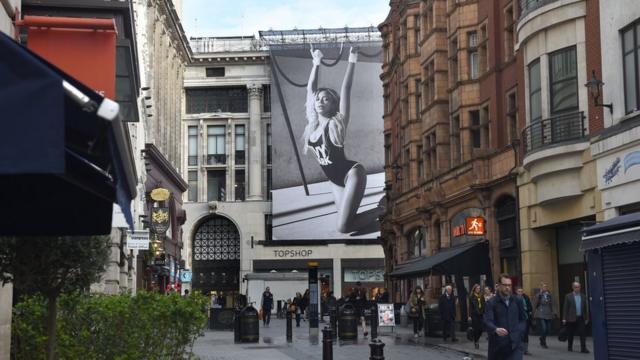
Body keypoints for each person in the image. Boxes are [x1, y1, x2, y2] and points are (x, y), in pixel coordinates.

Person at [304, 45, 369, 234]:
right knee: (349, 222)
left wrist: (352, 59)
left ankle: (386, 209)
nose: (319, 101)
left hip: (352, 174)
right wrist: (316, 62)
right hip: (335, 181)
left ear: (334, 103)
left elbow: (346, 88)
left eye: (325, 99)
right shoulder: (313, 126)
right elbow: (310, 90)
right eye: (318, 99)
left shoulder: (336, 123)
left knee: (343, 227)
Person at [484, 274, 527, 360]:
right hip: (498, 346)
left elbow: (523, 319)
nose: (507, 287)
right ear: (499, 285)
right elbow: (487, 321)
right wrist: (495, 329)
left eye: (509, 285)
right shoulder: (492, 303)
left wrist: (519, 333)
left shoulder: (517, 300)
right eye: (505, 285)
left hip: (515, 344)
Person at [562, 282, 589, 353]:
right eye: (576, 287)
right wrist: (564, 318)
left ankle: (583, 348)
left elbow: (585, 308)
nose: (577, 288)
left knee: (582, 333)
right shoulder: (568, 296)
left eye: (579, 287)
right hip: (571, 318)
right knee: (571, 333)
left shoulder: (583, 296)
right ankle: (570, 346)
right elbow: (565, 308)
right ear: (573, 288)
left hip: (581, 317)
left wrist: (586, 318)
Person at [533, 282, 554, 349]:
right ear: (541, 288)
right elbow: (535, 303)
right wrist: (540, 294)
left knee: (548, 329)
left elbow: (552, 304)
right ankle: (543, 342)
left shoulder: (549, 295)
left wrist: (554, 312)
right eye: (544, 287)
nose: (545, 288)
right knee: (544, 328)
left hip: (548, 313)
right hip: (541, 313)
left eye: (546, 287)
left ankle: (542, 338)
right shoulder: (538, 295)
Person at [516, 287, 533, 355]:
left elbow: (530, 307)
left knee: (525, 334)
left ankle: (525, 350)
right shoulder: (514, 299)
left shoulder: (526, 298)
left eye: (521, 291)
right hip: (518, 319)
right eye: (519, 291)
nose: (520, 292)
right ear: (516, 292)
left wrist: (528, 310)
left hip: (526, 318)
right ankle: (519, 348)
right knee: (519, 334)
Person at [468, 284, 486, 349]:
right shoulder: (471, 297)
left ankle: (476, 338)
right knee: (476, 329)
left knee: (481, 329)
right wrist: (469, 315)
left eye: (479, 288)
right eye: (477, 288)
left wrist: (484, 312)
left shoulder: (481, 296)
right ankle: (476, 341)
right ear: (474, 289)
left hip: (481, 314)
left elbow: (484, 305)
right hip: (474, 314)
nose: (478, 289)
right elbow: (470, 307)